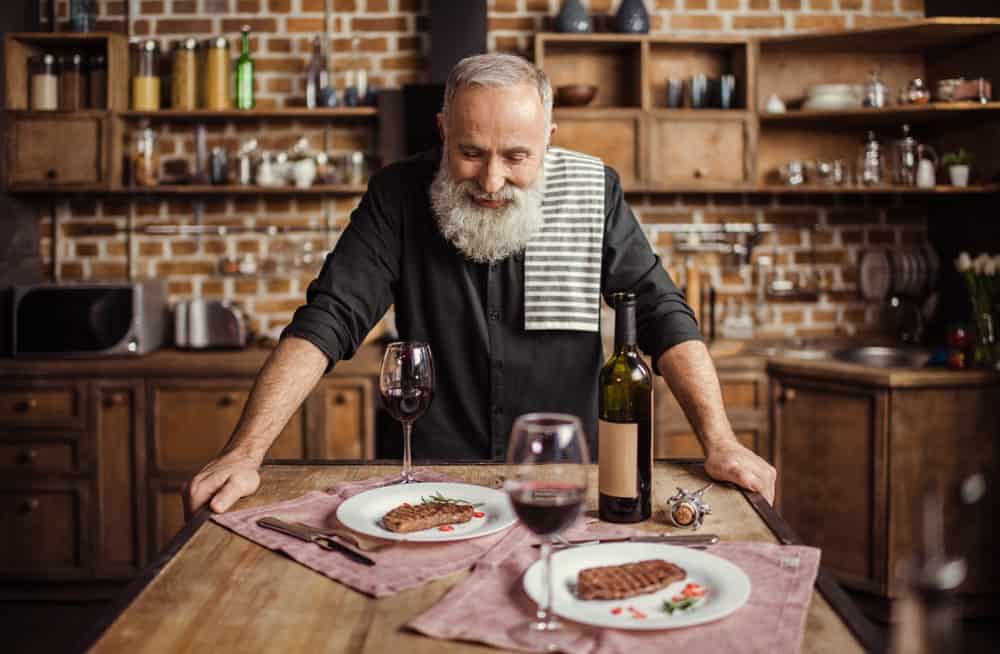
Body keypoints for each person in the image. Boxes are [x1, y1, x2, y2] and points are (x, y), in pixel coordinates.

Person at [184, 53, 776, 516]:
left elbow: (661, 314)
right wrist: (245, 452)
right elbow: (327, 320)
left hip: (562, 482)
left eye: (516, 156)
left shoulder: (593, 190)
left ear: (548, 137)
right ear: (443, 131)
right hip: (428, 484)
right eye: (470, 152)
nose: (492, 180)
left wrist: (719, 441)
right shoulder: (397, 194)